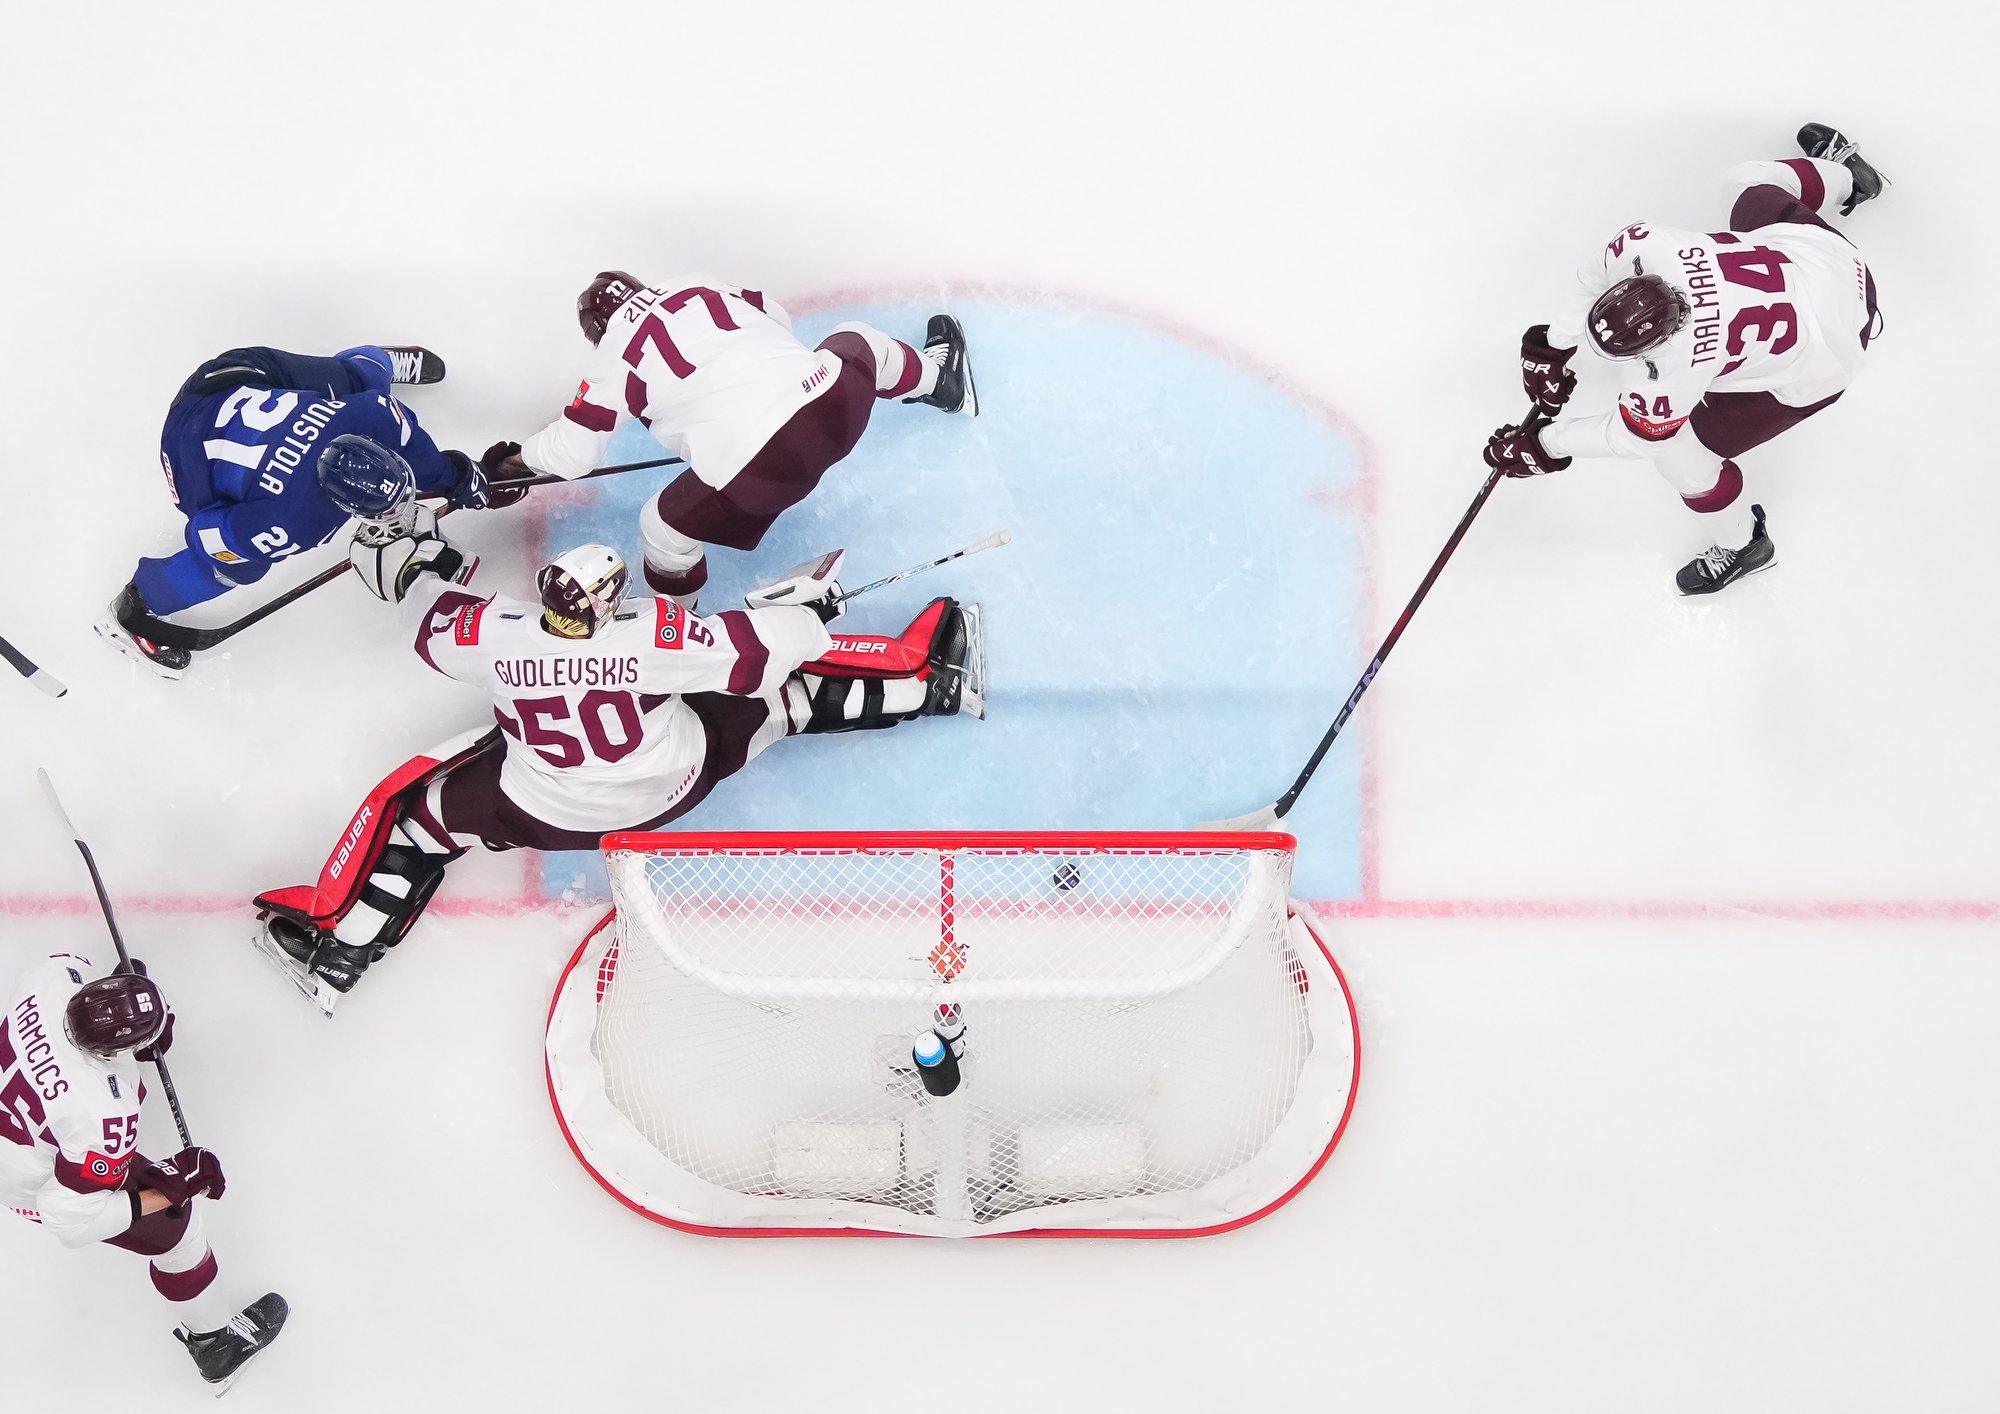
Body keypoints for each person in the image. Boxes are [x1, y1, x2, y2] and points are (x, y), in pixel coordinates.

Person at [251, 517, 983, 1013]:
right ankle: (930, 690)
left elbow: (433, 627)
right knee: (782, 702)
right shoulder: (652, 635)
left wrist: (428, 567)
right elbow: (763, 651)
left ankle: (341, 956)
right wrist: (808, 611)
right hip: (670, 785)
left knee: (419, 827)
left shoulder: (496, 635)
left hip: (538, 809)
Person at [1484, 123, 1886, 595]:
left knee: (1681, 457)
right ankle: (1847, 179)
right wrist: (1554, 346)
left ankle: (1744, 546)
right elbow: (1593, 276)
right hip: (1830, 263)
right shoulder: (1651, 246)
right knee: (1744, 181)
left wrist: (1545, 445)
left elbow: (1634, 439)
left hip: (1829, 355)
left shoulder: (1676, 367)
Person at [477, 272, 975, 610]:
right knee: (858, 339)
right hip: (832, 404)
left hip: (755, 475)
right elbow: (776, 316)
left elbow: (572, 453)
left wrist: (512, 464)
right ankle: (941, 381)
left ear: (597, 333)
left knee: (661, 530)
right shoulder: (693, 285)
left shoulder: (610, 361)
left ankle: (676, 630)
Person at [98, 342, 533, 677]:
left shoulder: (373, 415)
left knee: (359, 378)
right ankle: (136, 609)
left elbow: (417, 454)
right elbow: (203, 532)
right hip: (184, 453)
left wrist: (463, 477)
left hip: (231, 375)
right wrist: (245, 529)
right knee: (239, 565)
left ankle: (380, 357)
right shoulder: (294, 521)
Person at [0, 952, 287, 1390]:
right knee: (178, 1230)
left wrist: (126, 1013)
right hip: (25, 1177)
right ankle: (215, 1346)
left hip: (20, 1127)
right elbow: (68, 1221)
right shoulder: (101, 1115)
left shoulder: (50, 976)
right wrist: (174, 1189)